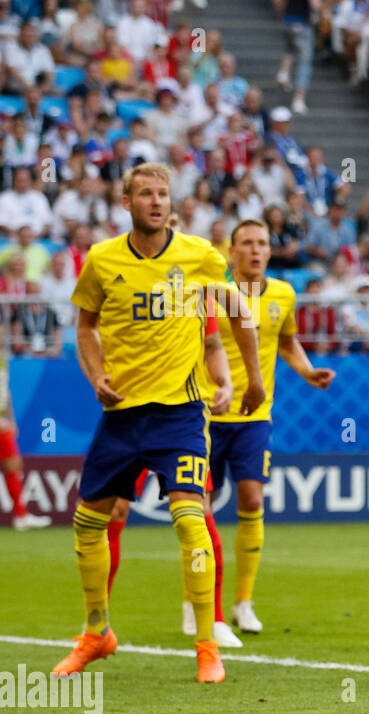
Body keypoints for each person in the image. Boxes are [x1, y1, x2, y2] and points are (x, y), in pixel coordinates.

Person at [56, 162, 266, 683]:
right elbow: (85, 326)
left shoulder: (198, 256)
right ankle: (97, 631)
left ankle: (205, 645)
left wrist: (253, 380)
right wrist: (96, 374)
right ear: (126, 202)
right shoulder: (103, 261)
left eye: (163, 194)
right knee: (87, 523)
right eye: (145, 193)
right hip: (121, 415)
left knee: (190, 520)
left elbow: (238, 312)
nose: (156, 201)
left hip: (179, 414)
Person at [194, 218, 335, 641]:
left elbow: (286, 340)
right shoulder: (213, 292)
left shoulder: (283, 293)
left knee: (252, 498)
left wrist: (308, 371)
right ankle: (198, 597)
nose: (255, 250)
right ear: (231, 251)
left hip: (254, 416)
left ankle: (243, 602)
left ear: (270, 251)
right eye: (247, 243)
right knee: (198, 508)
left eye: (262, 243)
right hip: (205, 415)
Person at [0, 324, 51, 529]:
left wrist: (11, 418)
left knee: (13, 464)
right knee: (13, 463)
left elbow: (5, 390)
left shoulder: (3, 356)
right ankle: (20, 516)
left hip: (3, 422)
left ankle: (20, 516)